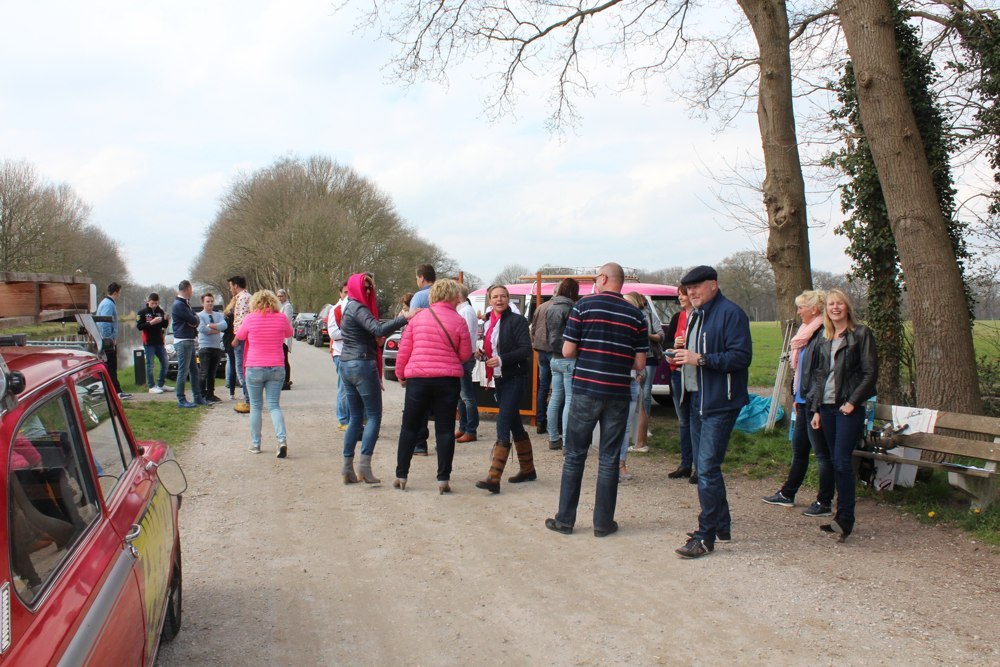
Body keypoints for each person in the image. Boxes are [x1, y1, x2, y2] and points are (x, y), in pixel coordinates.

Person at [544, 264, 647, 536]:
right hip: (618, 392)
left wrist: (591, 350)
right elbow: (639, 363)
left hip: (586, 389)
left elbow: (568, 351)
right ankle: (603, 524)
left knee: (575, 456)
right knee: (609, 458)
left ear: (603, 278)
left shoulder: (583, 307)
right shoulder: (636, 314)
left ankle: (565, 520)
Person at [672, 265, 752, 559]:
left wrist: (701, 359)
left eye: (696, 287)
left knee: (705, 468)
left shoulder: (731, 313)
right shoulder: (696, 315)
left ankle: (705, 536)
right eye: (688, 289)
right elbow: (696, 355)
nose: (691, 292)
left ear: (713, 285)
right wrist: (682, 350)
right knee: (707, 467)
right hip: (696, 399)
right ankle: (721, 525)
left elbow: (741, 357)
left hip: (720, 402)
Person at [807, 289, 878, 540]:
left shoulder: (860, 334)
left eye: (839, 303)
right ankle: (840, 517)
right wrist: (815, 409)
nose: (835, 308)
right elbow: (819, 376)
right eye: (831, 304)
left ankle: (845, 518)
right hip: (826, 408)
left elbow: (870, 373)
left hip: (847, 409)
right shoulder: (824, 337)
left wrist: (852, 402)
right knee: (834, 460)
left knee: (841, 461)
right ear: (826, 309)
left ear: (847, 307)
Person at [393, 279, 473, 493]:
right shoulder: (459, 321)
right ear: (454, 296)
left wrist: (400, 374)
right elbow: (465, 354)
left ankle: (401, 474)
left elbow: (404, 350)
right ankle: (443, 479)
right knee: (445, 430)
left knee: (409, 427)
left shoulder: (418, 318)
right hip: (447, 381)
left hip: (418, 380)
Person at [340, 273, 417, 484]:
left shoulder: (349, 307)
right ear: (355, 287)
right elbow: (377, 328)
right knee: (373, 416)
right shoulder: (358, 307)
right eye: (364, 287)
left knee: (355, 418)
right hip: (362, 364)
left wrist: (374, 338)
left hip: (347, 364)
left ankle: (347, 468)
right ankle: (364, 467)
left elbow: (367, 331)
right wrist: (405, 317)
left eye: (370, 287)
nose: (368, 291)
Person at [762, 290, 834, 516]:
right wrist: (796, 397)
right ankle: (787, 493)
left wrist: (816, 406)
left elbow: (821, 373)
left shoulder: (822, 334)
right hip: (803, 401)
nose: (798, 311)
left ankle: (824, 502)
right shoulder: (806, 333)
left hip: (815, 403)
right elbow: (801, 370)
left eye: (801, 307)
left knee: (822, 454)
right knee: (799, 449)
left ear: (814, 309)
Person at [475, 284, 536, 494]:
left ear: (508, 299)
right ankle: (528, 469)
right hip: (499, 379)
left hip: (515, 378)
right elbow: (493, 348)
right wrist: (483, 354)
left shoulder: (517, 320)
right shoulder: (488, 322)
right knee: (514, 422)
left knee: (503, 422)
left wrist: (501, 359)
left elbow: (525, 350)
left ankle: (494, 477)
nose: (499, 300)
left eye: (502, 296)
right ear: (489, 300)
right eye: (495, 297)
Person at [235, 290, 294, 457]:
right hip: (276, 366)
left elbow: (240, 336)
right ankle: (281, 441)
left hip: (254, 366)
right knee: (274, 405)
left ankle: (255, 444)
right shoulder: (281, 318)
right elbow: (289, 333)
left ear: (255, 303)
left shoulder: (250, 318)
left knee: (255, 406)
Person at [664, 285, 696, 482]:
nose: (681, 298)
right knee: (684, 420)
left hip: (696, 374)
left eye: (682, 295)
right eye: (679, 295)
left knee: (697, 420)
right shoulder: (677, 317)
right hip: (678, 373)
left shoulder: (701, 316)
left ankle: (700, 467)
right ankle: (685, 464)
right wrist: (673, 346)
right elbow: (666, 343)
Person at [544, 278, 580, 450]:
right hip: (569, 358)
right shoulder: (572, 309)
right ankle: (567, 442)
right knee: (569, 399)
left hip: (554, 357)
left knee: (555, 398)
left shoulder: (550, 307)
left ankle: (553, 438)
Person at [628, 292, 664, 454]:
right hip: (634, 359)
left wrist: (646, 335)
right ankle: (635, 431)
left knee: (645, 394)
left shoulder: (648, 316)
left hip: (648, 358)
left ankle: (643, 432)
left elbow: (661, 335)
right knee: (637, 395)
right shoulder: (629, 314)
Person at [409, 264, 437, 455]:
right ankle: (443, 443)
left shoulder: (419, 297)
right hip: (442, 355)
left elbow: (411, 325)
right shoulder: (446, 295)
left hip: (422, 354)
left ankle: (420, 443)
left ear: (421, 277)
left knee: (420, 402)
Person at [172, 280, 208, 408]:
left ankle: (197, 397)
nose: (192, 291)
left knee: (194, 370)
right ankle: (181, 399)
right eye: (191, 289)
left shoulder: (185, 303)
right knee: (183, 371)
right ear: (187, 289)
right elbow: (193, 319)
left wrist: (195, 320)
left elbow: (195, 319)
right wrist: (194, 320)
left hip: (189, 340)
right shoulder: (179, 305)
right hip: (183, 341)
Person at [95, 282, 130, 399]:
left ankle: (110, 391)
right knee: (111, 366)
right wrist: (109, 339)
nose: (120, 295)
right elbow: (105, 322)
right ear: (115, 292)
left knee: (108, 366)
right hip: (107, 341)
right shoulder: (109, 304)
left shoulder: (105, 302)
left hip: (103, 339)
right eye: (119, 293)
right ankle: (116, 392)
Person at [455, 284, 480, 443]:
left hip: (465, 357)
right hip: (463, 357)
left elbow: (467, 337)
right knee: (461, 396)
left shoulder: (466, 312)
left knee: (466, 396)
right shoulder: (464, 311)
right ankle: (463, 427)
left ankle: (471, 429)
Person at [136, 292, 172, 394]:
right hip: (149, 342)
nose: (154, 305)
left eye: (156, 303)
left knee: (165, 362)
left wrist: (166, 319)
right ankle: (151, 386)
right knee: (150, 364)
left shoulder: (160, 311)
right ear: (148, 302)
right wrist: (151, 323)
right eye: (152, 303)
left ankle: (161, 384)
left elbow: (164, 325)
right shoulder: (142, 312)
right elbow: (139, 326)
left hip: (159, 341)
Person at [530, 291, 554, 436]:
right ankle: (555, 424)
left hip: (541, 350)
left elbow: (533, 328)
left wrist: (535, 344)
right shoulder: (563, 307)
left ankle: (540, 421)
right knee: (557, 390)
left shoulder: (541, 307)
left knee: (543, 387)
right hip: (555, 351)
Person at [228, 276, 252, 414]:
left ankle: (248, 400)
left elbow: (243, 321)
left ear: (236, 285)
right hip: (246, 338)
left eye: (230, 286)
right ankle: (250, 399)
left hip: (241, 338)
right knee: (244, 368)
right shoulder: (248, 297)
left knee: (241, 369)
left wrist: (237, 338)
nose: (230, 289)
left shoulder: (242, 299)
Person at [197, 293, 227, 403]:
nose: (210, 303)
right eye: (207, 301)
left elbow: (224, 325)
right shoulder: (199, 316)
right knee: (204, 372)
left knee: (212, 373)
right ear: (203, 303)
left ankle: (211, 394)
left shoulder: (218, 315)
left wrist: (210, 325)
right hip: (205, 347)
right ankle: (201, 395)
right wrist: (217, 330)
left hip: (216, 347)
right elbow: (202, 329)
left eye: (211, 301)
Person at [328, 282, 349, 431]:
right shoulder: (336, 309)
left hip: (354, 354)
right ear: (340, 293)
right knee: (344, 388)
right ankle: (343, 420)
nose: (348, 295)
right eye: (345, 292)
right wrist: (352, 332)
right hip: (340, 353)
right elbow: (333, 334)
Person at [278, 288, 295, 390]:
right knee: (282, 358)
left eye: (281, 296)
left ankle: (286, 380)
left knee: (284, 358)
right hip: (280, 335)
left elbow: (286, 320)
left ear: (285, 296)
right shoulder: (280, 306)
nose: (279, 298)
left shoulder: (287, 306)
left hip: (285, 335)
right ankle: (283, 379)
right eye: (278, 296)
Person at [222, 298, 239, 400]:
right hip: (233, 341)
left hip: (229, 341)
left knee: (232, 365)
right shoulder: (233, 316)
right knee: (235, 366)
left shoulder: (228, 315)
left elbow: (224, 329)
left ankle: (232, 392)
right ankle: (232, 390)